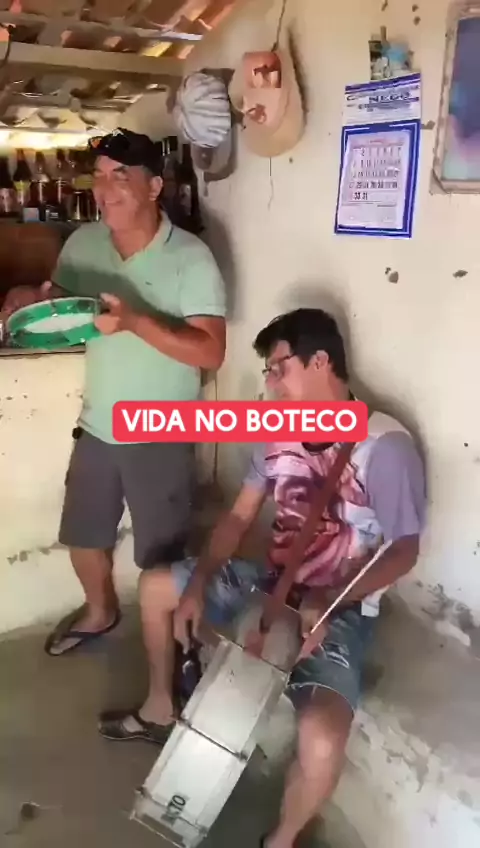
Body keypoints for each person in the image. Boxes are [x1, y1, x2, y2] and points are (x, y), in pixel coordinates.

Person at [98, 307, 426, 848]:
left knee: (322, 737)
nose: (270, 384)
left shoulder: (382, 446)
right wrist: (200, 582)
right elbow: (238, 517)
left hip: (338, 609)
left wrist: (331, 596)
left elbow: (405, 549)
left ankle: (282, 839)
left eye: (279, 368)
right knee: (159, 588)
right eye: (268, 372)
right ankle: (159, 709)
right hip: (269, 582)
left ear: (321, 362)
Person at [2, 127, 227, 656]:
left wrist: (133, 322)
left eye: (120, 177)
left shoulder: (191, 257)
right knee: (83, 537)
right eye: (99, 177)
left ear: (154, 187)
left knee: (161, 557)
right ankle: (101, 612)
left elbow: (210, 352)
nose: (104, 190)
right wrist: (28, 299)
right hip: (99, 421)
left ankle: (175, 651)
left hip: (162, 428)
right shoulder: (83, 243)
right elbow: (61, 305)